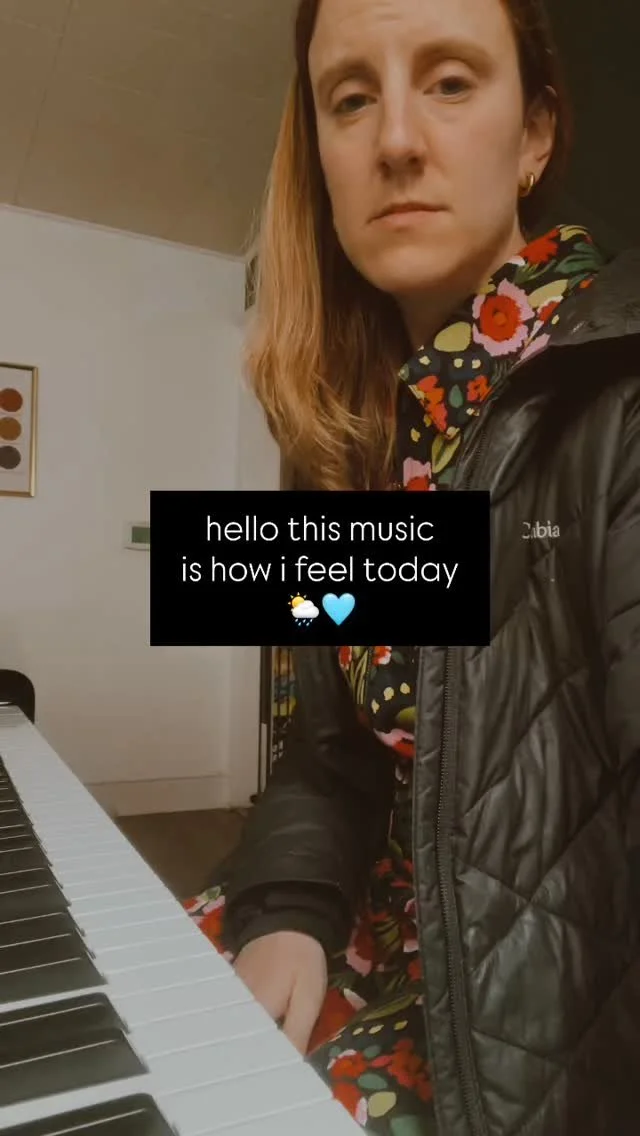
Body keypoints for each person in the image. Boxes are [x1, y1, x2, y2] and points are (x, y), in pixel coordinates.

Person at [184, 0, 640, 1132]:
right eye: (351, 98)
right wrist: (288, 908)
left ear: (535, 134)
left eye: (449, 81)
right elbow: (329, 752)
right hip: (369, 920)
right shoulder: (352, 442)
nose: (394, 138)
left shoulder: (619, 398)